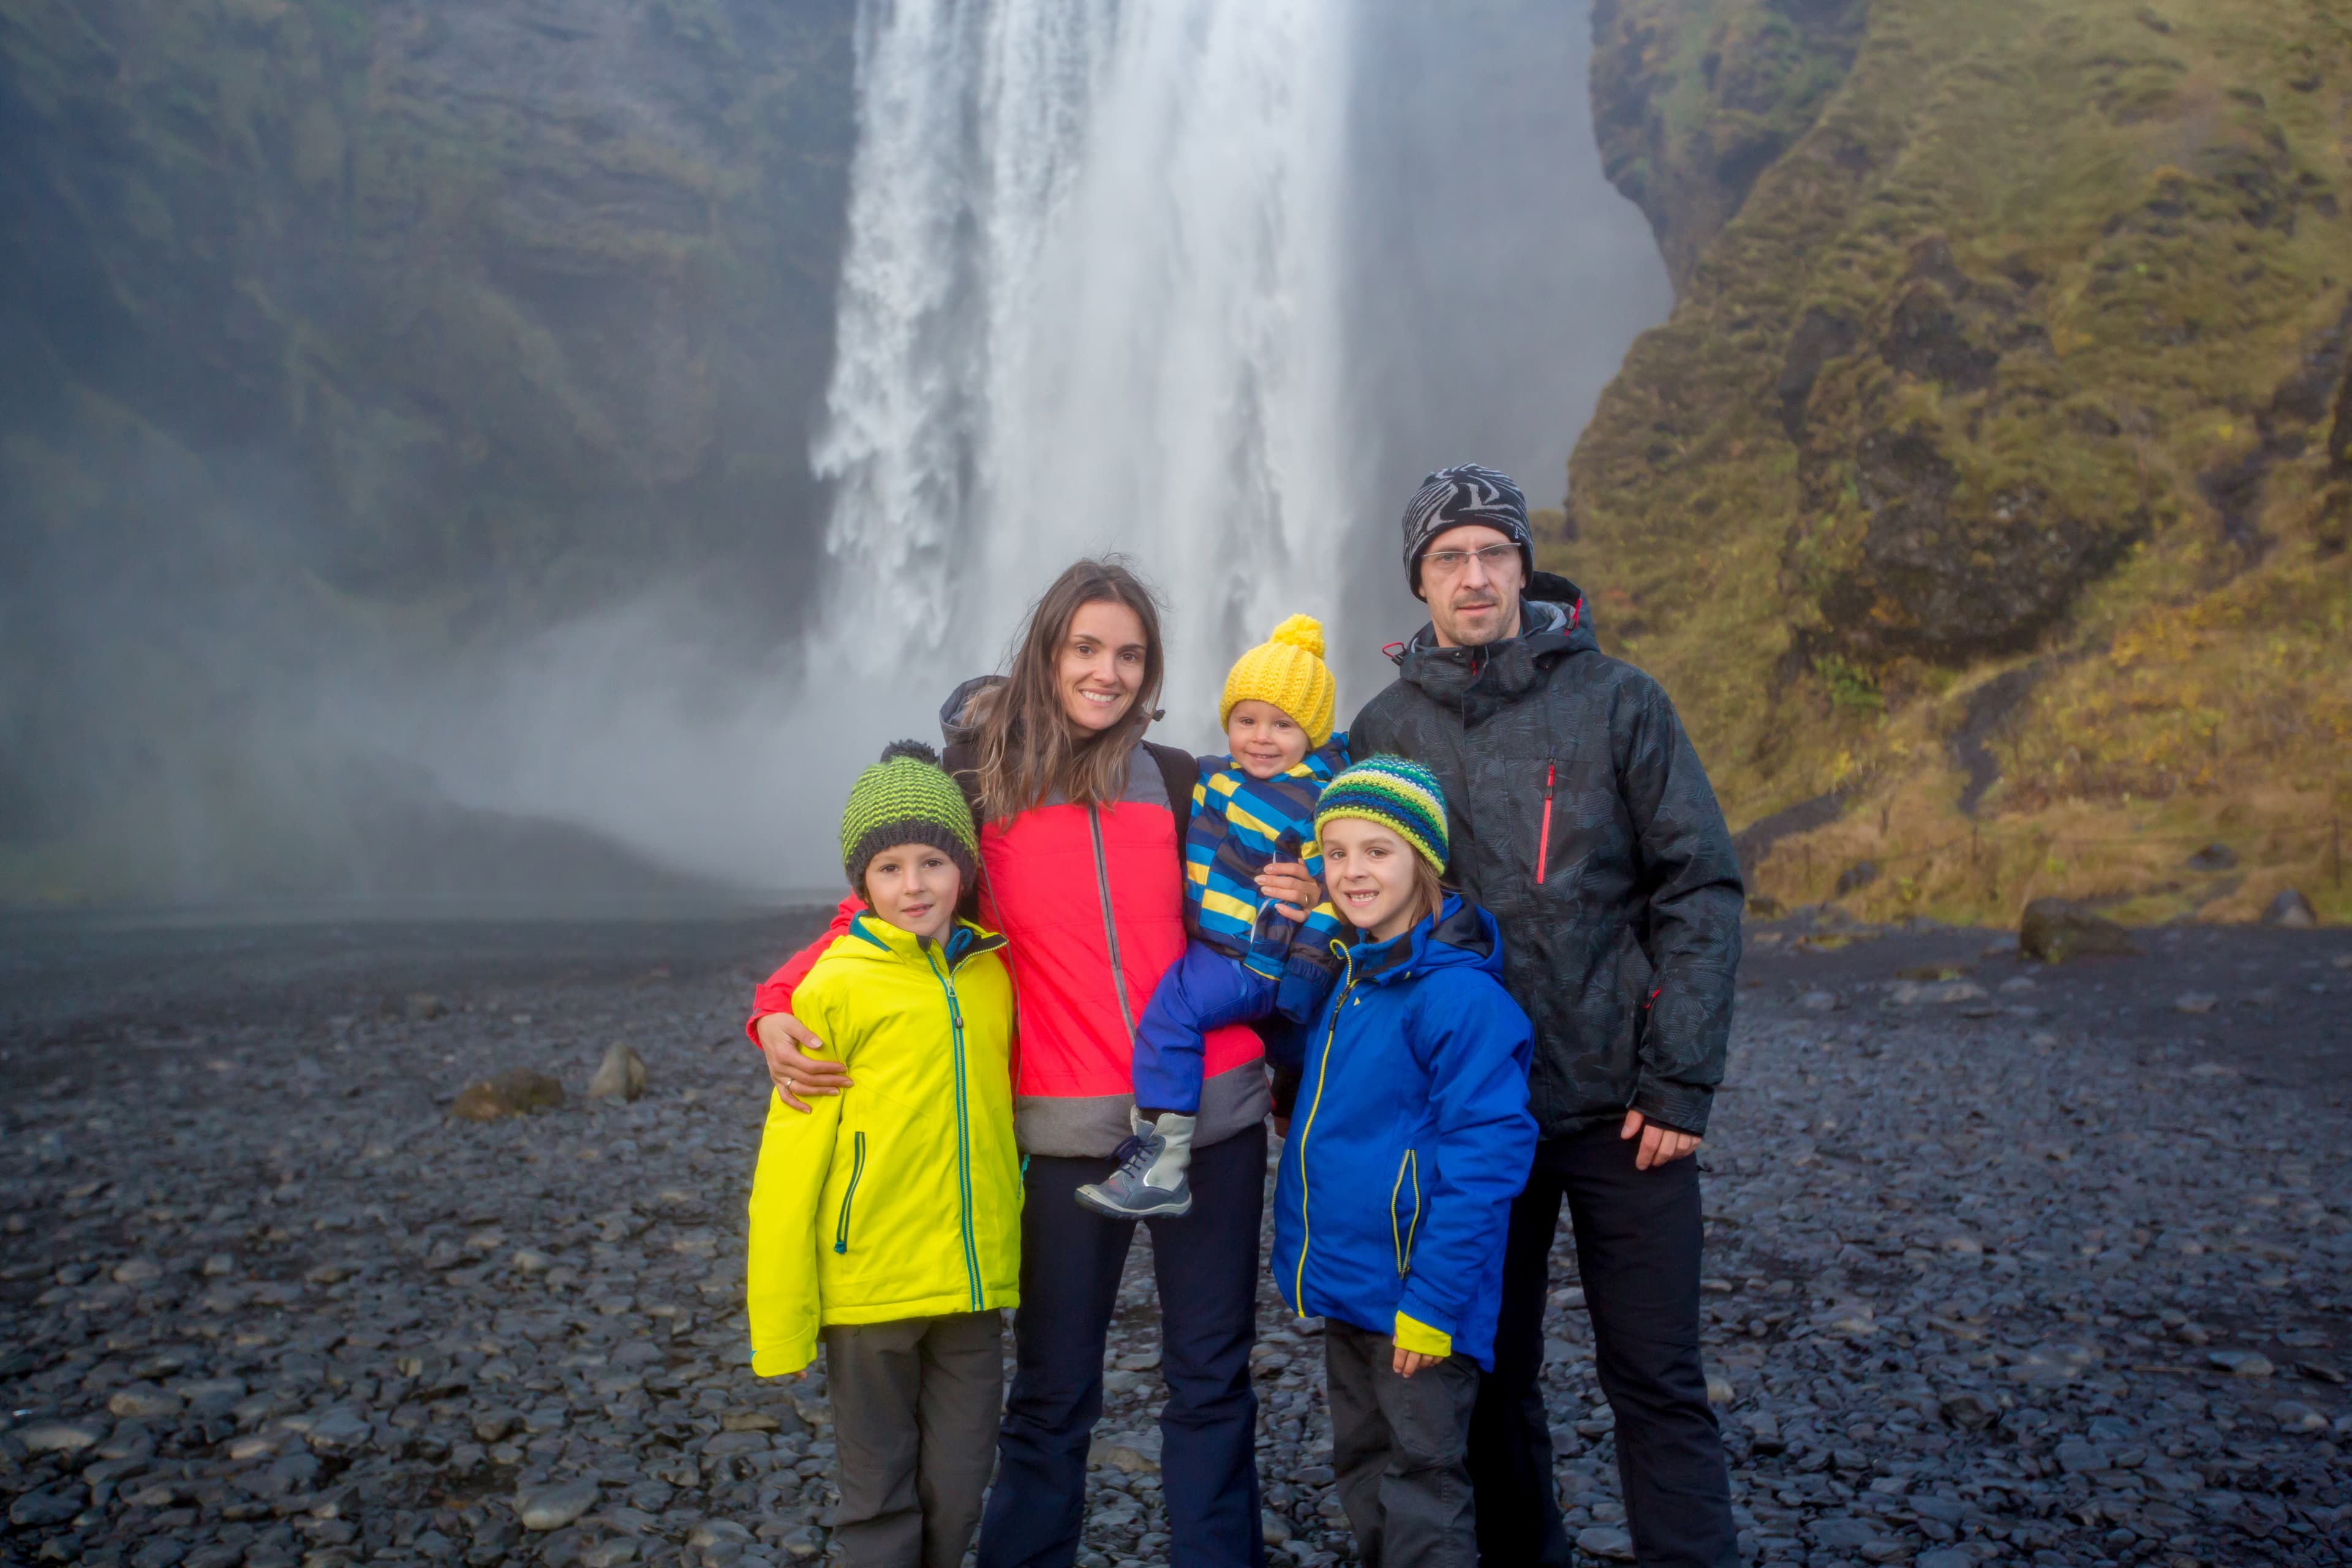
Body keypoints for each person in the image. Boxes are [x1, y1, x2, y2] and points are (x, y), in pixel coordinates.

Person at [745, 559, 1287, 1568]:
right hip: (1067, 1132)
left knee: (1212, 1377)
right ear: (1045, 651)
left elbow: (1253, 917)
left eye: (1129, 654)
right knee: (1053, 1391)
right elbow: (875, 914)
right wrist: (774, 1008)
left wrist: (1292, 1062)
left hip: (1208, 1121)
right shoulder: (976, 784)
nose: (1107, 672)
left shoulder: (1182, 781)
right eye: (1086, 647)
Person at [1345, 465, 1746, 1568]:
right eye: (1449, 559)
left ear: (1525, 564)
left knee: (1657, 1380)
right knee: (1490, 1376)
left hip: (1627, 1113)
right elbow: (1358, 904)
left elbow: (1699, 887)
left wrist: (1679, 1081)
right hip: (1475, 1125)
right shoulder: (1383, 727)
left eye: (1493, 554)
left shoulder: (1621, 701)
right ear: (1418, 581)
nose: (1474, 578)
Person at [745, 740, 1021, 1568]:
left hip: (971, 1283)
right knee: (877, 1496)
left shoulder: (990, 975)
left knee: (961, 1482)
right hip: (868, 1288)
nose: (914, 885)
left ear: (963, 870)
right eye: (891, 867)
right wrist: (781, 1327)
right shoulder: (833, 985)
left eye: (933, 861)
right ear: (859, 883)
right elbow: (788, 1171)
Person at [1269, 755, 1537, 1568]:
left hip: (1417, 1298)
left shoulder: (1456, 997)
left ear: (1422, 862)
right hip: (1350, 1286)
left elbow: (1487, 1161)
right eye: (1338, 853)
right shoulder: (1350, 977)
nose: (1353, 872)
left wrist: (1432, 1303)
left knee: (1423, 1474)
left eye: (1377, 852)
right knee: (1363, 1461)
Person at [1076, 612, 1348, 1219]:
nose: (1260, 737)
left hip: (1249, 958)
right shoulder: (1215, 776)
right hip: (1217, 947)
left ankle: (1164, 1161)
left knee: (1171, 1017)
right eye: (1245, 721)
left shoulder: (1319, 798)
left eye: (1283, 724)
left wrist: (1306, 948)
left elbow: (1338, 883)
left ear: (1314, 732)